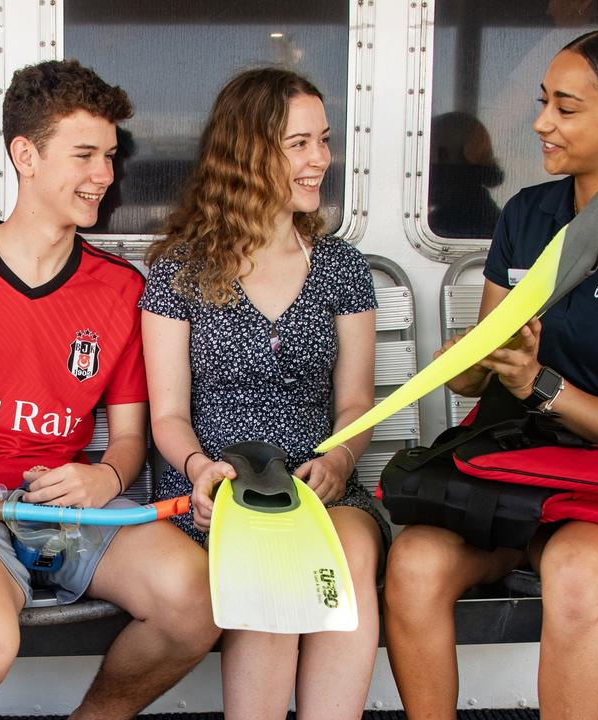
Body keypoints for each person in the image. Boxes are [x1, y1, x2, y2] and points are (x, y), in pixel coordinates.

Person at [383, 26, 598, 720]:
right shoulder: (529, 214)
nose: (540, 122)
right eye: (544, 101)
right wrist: (478, 362)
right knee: (413, 563)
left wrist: (541, 383)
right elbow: (475, 380)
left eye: (566, 109)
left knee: (573, 575)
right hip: (513, 475)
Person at [0, 59, 219, 720]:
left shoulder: (120, 290)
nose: (105, 176)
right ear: (24, 155)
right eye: (85, 154)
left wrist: (106, 480)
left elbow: (126, 438)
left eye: (111, 156)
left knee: (196, 601)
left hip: (69, 512)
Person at [140, 67, 390, 720]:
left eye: (324, 141)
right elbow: (167, 413)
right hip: (218, 484)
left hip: (320, 477)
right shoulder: (180, 270)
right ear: (250, 153)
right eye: (299, 144)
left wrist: (340, 460)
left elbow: (357, 404)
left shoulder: (339, 267)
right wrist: (199, 470)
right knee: (272, 563)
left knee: (349, 555)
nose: (320, 161)